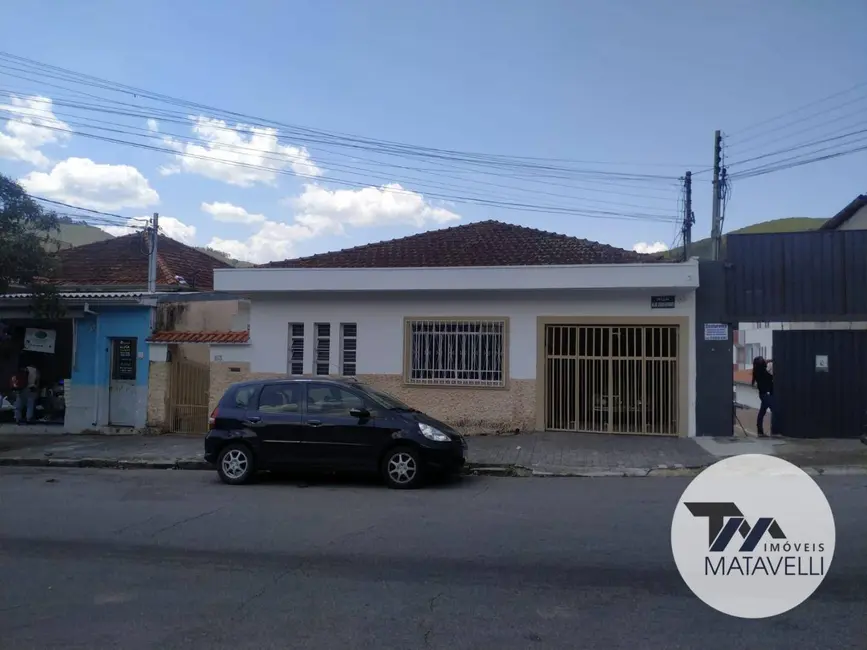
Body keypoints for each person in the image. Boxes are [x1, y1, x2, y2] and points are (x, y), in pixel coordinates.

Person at [751, 356, 778, 437]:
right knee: (775, 410)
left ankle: (760, 431)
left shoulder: (758, 370)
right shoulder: (760, 371)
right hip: (765, 395)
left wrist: (771, 360)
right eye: (761, 360)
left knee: (762, 412)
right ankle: (776, 430)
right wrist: (772, 360)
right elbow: (765, 364)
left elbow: (765, 363)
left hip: (765, 394)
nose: (763, 361)